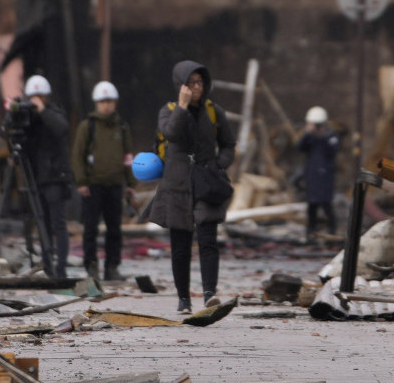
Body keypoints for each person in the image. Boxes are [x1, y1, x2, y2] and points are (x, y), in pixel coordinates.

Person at [150, 60, 236, 313]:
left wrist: (219, 165)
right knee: (180, 245)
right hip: (177, 184)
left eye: (200, 82)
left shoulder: (214, 111)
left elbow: (229, 144)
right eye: (191, 83)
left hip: (206, 183)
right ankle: (183, 299)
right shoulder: (168, 110)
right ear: (181, 85)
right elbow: (172, 134)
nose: (197, 87)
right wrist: (183, 106)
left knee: (208, 240)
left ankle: (210, 293)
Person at [72, 81, 137, 281]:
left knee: (114, 229)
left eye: (109, 101)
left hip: (115, 186)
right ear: (96, 103)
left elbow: (128, 156)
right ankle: (91, 267)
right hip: (93, 186)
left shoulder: (122, 127)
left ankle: (112, 267)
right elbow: (78, 155)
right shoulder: (87, 126)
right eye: (102, 101)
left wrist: (131, 184)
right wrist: (81, 181)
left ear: (115, 103)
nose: (106, 105)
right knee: (90, 228)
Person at [15, 74, 74, 279]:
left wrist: (42, 111)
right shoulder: (27, 118)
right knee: (43, 224)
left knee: (59, 224)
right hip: (36, 177)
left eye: (40, 96)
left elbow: (61, 129)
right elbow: (16, 137)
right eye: (33, 96)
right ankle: (48, 267)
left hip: (55, 177)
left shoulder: (54, 112)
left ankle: (62, 268)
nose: (36, 100)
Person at [296, 106, 339, 239]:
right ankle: (310, 230)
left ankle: (332, 229)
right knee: (312, 205)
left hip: (325, 175)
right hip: (312, 175)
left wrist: (321, 135)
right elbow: (299, 148)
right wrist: (308, 133)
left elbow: (332, 150)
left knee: (326, 203)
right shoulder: (309, 138)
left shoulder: (331, 136)